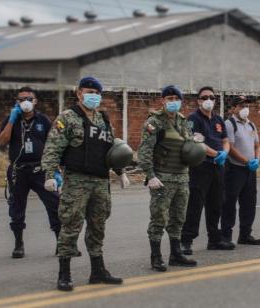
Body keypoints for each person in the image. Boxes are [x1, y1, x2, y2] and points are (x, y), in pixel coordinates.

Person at [42, 77, 128, 292]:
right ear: (79, 93)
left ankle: (98, 271)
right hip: (77, 181)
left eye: (97, 93)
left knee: (98, 226)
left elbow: (112, 151)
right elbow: (53, 147)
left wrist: (121, 172)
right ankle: (64, 274)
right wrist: (49, 174)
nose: (94, 96)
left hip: (100, 181)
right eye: (90, 92)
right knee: (71, 226)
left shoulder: (103, 119)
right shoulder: (68, 118)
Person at [137, 85, 198, 272]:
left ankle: (175, 254)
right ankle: (156, 257)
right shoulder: (154, 122)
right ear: (162, 101)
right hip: (162, 179)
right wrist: (150, 176)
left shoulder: (183, 121)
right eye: (169, 98)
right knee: (159, 219)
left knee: (178, 218)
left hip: (182, 177)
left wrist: (195, 142)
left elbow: (187, 147)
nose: (173, 102)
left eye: (176, 98)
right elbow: (144, 151)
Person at [0, 87, 61, 258]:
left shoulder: (43, 120)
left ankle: (61, 243)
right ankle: (19, 244)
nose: (25, 101)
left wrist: (55, 170)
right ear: (17, 102)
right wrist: (12, 119)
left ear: (35, 101)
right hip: (18, 171)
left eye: (28, 98)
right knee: (16, 208)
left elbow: (54, 143)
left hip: (41, 169)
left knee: (55, 204)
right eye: (21, 99)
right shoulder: (11, 120)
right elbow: (2, 141)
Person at [180, 86, 234, 255]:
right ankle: (186, 241)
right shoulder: (193, 119)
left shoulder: (218, 119)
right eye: (204, 98)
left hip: (218, 166)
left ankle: (214, 239)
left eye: (211, 97)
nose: (208, 100)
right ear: (198, 101)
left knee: (216, 203)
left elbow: (225, 140)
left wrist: (224, 153)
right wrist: (215, 153)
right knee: (195, 205)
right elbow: (196, 141)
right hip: (200, 166)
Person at [221, 96, 260, 245]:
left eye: (246, 105)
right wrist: (247, 161)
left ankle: (245, 234)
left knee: (249, 203)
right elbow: (230, 147)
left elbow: (257, 145)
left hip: (250, 170)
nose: (245, 108)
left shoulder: (251, 125)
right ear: (232, 109)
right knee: (229, 203)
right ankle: (226, 236)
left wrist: (257, 159)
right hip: (235, 169)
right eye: (241, 106)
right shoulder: (230, 124)